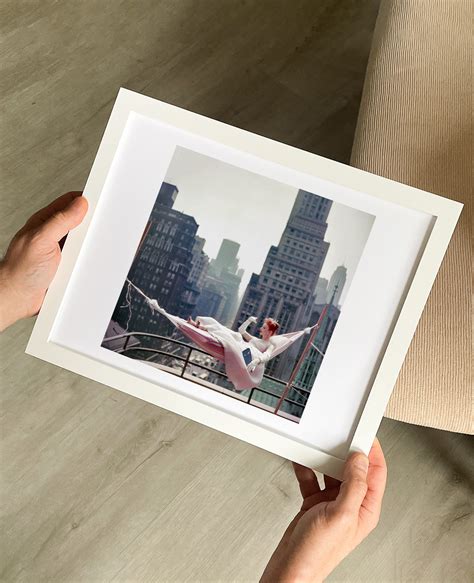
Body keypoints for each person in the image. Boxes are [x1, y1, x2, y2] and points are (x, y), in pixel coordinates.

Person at [0, 193, 387, 581]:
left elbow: (271, 344)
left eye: (271, 327)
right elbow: (242, 335)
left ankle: (188, 323)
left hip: (247, 359)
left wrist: (12, 290)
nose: (271, 327)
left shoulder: (272, 342)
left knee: (226, 341)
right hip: (235, 348)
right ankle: (181, 321)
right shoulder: (254, 334)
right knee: (214, 334)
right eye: (269, 327)